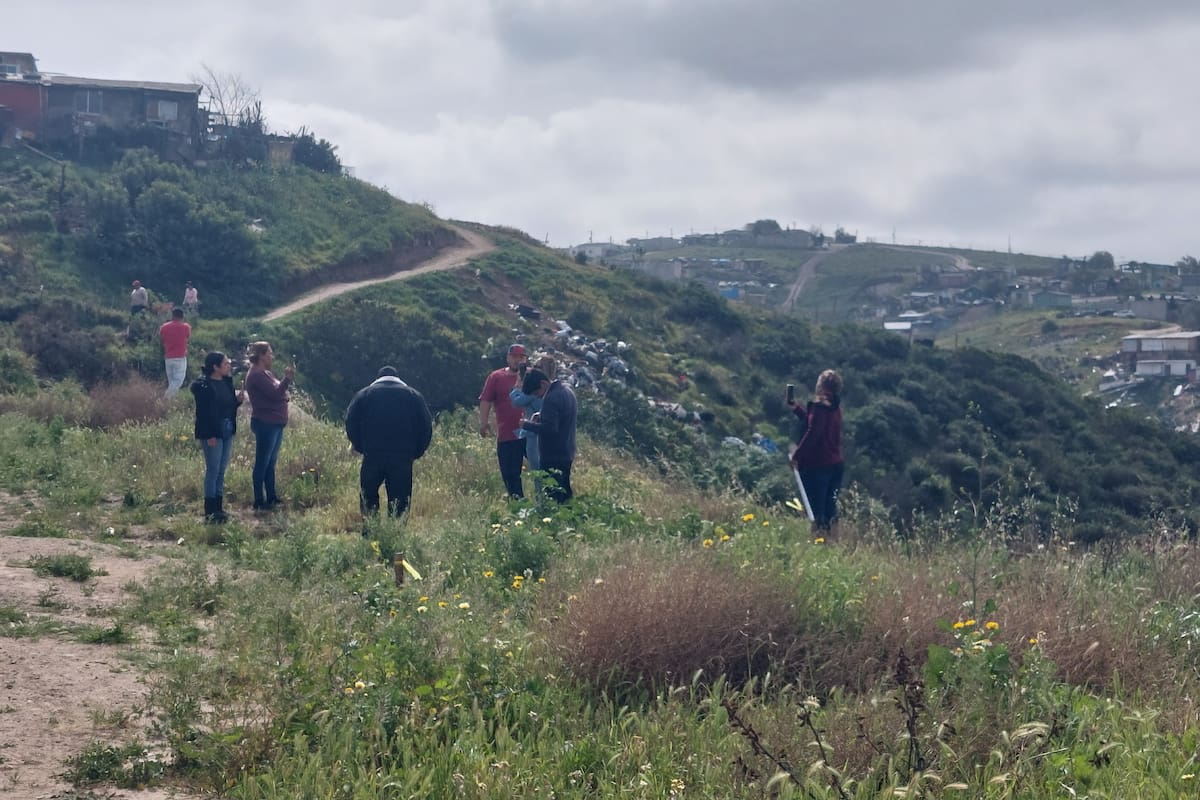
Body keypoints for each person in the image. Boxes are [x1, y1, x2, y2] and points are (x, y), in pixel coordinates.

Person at [345, 366, 433, 517]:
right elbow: (426, 427)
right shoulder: (414, 396)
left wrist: (361, 447)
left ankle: (371, 528)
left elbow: (350, 423)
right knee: (400, 500)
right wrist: (415, 452)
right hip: (402, 456)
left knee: (368, 496)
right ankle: (396, 529)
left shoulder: (364, 395)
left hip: (372, 454)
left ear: (378, 378)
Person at [191, 351, 244, 523]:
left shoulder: (226, 382)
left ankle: (219, 508)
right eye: (226, 363)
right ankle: (210, 511)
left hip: (227, 430)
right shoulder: (203, 386)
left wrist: (238, 401)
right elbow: (203, 413)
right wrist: (209, 435)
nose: (229, 366)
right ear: (215, 367)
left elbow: (227, 406)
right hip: (213, 432)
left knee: (221, 470)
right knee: (213, 470)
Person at [789, 369, 844, 535]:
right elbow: (816, 423)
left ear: (821, 385)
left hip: (817, 466)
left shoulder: (819, 406)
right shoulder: (835, 407)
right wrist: (797, 409)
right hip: (835, 465)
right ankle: (831, 541)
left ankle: (818, 541)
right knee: (829, 510)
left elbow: (813, 432)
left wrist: (797, 456)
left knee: (816, 512)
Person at [244, 341, 294, 511]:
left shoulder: (266, 374)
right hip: (266, 423)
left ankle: (271, 496)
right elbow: (275, 393)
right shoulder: (256, 375)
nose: (272, 356)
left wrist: (284, 391)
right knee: (262, 462)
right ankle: (259, 500)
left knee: (270, 462)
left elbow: (278, 392)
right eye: (270, 353)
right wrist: (287, 379)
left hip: (274, 423)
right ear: (262, 355)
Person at [520, 367, 578, 503]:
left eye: (536, 393)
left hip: (553, 456)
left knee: (553, 497)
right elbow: (561, 418)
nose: (537, 397)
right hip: (566, 451)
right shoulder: (566, 391)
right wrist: (542, 416)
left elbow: (550, 429)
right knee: (564, 494)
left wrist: (527, 425)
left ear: (543, 383)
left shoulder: (551, 398)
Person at [478, 343, 528, 498]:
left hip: (531, 433)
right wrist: (483, 422)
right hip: (508, 434)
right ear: (508, 358)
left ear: (525, 359)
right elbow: (486, 400)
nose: (517, 360)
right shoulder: (496, 377)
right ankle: (518, 505)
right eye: (514, 356)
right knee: (510, 475)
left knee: (543, 472)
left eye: (521, 357)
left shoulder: (531, 376)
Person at [509, 354, 557, 477]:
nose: (532, 368)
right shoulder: (554, 388)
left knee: (538, 474)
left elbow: (516, 402)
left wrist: (518, 386)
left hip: (534, 436)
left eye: (536, 366)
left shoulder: (535, 390)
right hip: (549, 436)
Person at [159, 307, 191, 399]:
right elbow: (187, 337)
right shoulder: (186, 327)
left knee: (172, 382)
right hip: (180, 357)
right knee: (178, 381)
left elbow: (161, 340)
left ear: (172, 315)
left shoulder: (164, 327)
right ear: (182, 316)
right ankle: (165, 399)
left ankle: (171, 402)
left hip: (168, 357)